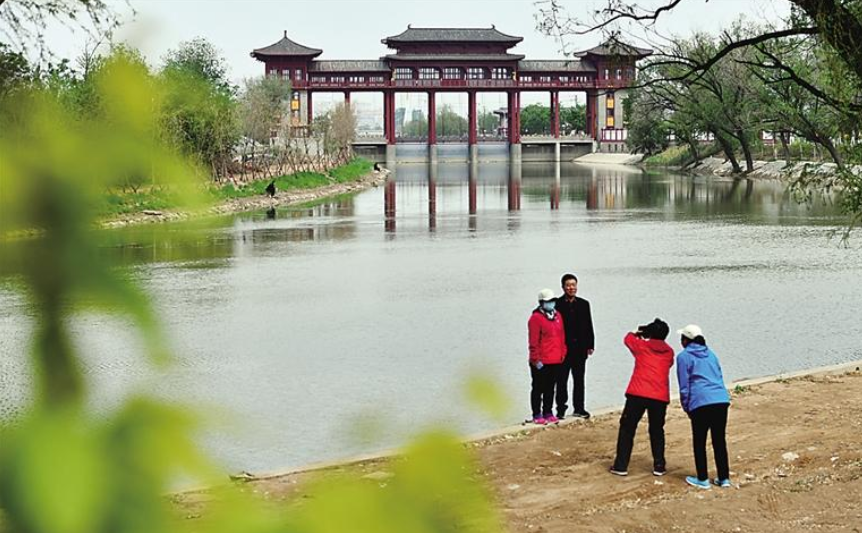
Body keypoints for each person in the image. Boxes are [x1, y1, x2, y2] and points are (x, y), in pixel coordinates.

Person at [610, 319, 675, 477]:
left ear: (650, 333)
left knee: (627, 428)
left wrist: (638, 332)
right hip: (659, 396)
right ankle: (659, 465)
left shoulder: (642, 346)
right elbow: (669, 364)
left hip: (638, 393)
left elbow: (627, 338)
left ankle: (621, 465)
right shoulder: (669, 352)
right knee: (656, 430)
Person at [676, 324, 732, 489]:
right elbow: (719, 375)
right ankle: (724, 478)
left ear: (686, 340)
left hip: (701, 402)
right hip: (721, 400)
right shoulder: (712, 354)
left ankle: (702, 479)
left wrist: (687, 406)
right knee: (719, 440)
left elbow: (684, 386)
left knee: (699, 441)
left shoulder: (683, 357)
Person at [554, 273, 595, 419]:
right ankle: (560, 409)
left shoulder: (584, 304)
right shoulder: (557, 304)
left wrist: (590, 344)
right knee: (561, 381)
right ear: (563, 287)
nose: (571, 288)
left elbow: (589, 325)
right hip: (563, 350)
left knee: (579, 380)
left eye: (573, 285)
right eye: (568, 285)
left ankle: (579, 407)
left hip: (580, 349)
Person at [527, 288, 567, 425]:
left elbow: (562, 336)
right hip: (541, 361)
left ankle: (548, 412)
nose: (551, 303)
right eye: (547, 301)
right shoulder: (535, 319)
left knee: (551, 388)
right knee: (538, 388)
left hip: (555, 359)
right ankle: (536, 413)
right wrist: (535, 359)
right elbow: (533, 341)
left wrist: (563, 353)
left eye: (552, 301)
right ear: (541, 302)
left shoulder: (557, 316)